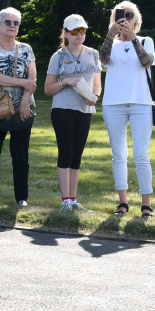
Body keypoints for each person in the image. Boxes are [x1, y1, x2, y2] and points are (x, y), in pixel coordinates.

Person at [100, 0, 155, 218]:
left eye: (130, 15)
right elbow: (103, 60)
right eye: (120, 15)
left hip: (141, 103)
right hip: (113, 103)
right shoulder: (111, 45)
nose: (125, 18)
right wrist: (110, 35)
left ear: (137, 20)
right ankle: (122, 203)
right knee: (118, 154)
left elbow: (147, 62)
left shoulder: (145, 41)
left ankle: (146, 204)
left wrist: (132, 38)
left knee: (141, 154)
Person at [44, 14, 101, 211]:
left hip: (85, 109)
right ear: (66, 33)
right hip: (62, 109)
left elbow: (97, 85)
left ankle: (73, 200)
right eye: (75, 31)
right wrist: (65, 81)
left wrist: (94, 96)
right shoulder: (58, 56)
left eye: (82, 30)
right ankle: (65, 201)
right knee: (66, 153)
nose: (79, 34)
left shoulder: (93, 54)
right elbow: (47, 89)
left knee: (77, 155)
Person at [0, 8, 37, 207]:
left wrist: (24, 101)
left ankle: (21, 198)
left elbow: (32, 79)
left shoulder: (26, 49)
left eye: (16, 23)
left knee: (21, 155)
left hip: (22, 108)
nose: (12, 26)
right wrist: (21, 84)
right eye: (8, 22)